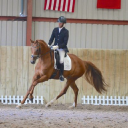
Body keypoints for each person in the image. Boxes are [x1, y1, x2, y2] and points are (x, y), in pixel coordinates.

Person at [48, 16, 69, 81]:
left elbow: (65, 43)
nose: (59, 24)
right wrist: (48, 44)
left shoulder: (66, 31)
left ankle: (61, 75)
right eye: (58, 22)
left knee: (61, 60)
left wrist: (57, 46)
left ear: (63, 23)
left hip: (61, 48)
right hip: (54, 47)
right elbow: (51, 38)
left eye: (60, 23)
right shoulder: (55, 29)